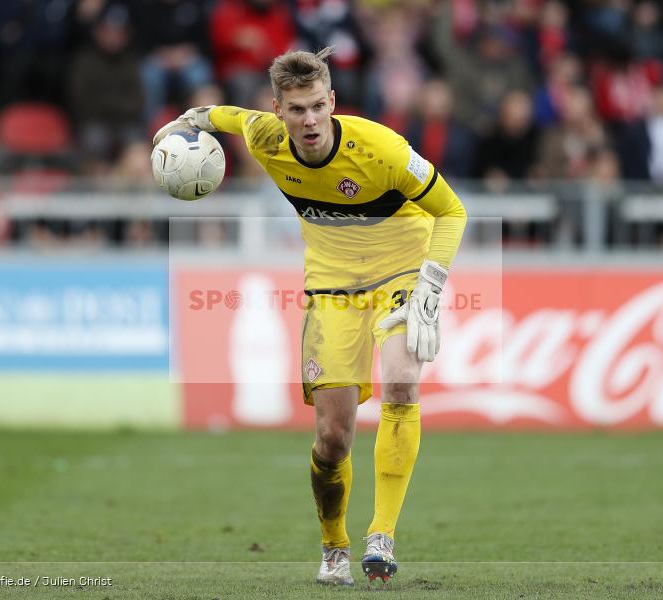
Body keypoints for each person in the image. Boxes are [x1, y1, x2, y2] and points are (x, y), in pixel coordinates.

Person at [153, 47, 467, 585]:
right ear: (279, 111)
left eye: (319, 106)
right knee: (332, 437)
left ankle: (381, 535)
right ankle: (334, 546)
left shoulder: (382, 148)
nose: (310, 120)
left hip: (402, 274)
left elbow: (452, 210)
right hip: (332, 287)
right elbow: (227, 116)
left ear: (333, 102)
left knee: (400, 384)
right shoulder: (265, 139)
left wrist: (431, 285)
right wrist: (193, 119)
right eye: (297, 110)